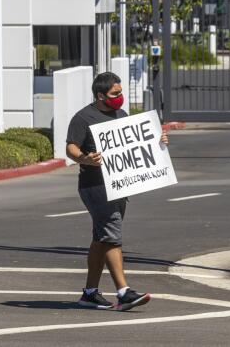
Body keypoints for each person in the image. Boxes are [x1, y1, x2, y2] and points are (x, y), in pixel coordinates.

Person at [65, 71, 167, 311]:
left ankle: (90, 294)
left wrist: (157, 140)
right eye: (115, 93)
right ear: (100, 95)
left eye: (120, 92)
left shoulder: (121, 114)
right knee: (111, 233)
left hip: (119, 185)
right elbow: (71, 148)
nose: (120, 97)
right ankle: (123, 292)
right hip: (96, 186)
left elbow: (132, 144)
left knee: (101, 238)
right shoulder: (83, 118)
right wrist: (85, 159)